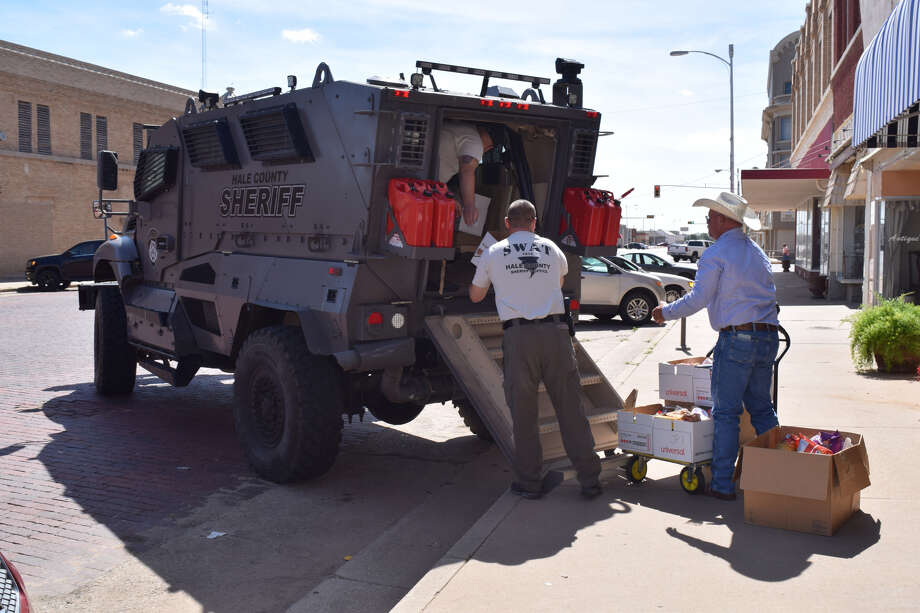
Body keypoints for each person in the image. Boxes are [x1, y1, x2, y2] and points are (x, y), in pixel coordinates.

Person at [469, 199, 602, 500]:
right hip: (555, 335)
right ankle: (590, 480)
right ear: (534, 222)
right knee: (571, 409)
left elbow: (475, 296)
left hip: (519, 339)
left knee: (524, 414)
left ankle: (529, 483)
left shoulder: (493, 252)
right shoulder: (552, 249)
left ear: (506, 223)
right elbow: (559, 280)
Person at [651, 192, 779, 501]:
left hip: (737, 340)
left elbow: (698, 299)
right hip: (768, 336)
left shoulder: (716, 253)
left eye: (711, 217)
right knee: (762, 408)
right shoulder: (756, 251)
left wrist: (664, 312)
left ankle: (722, 484)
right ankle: (778, 473)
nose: (708, 222)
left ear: (724, 219)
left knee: (726, 413)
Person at [438, 121, 493, 227]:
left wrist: (447, 195)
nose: (487, 150)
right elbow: (467, 170)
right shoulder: (475, 141)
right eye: (490, 146)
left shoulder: (460, 129)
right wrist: (470, 207)